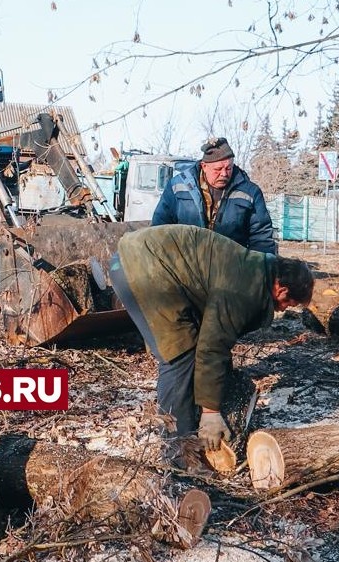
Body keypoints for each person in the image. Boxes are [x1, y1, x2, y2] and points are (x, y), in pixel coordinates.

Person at [109, 224, 314, 448]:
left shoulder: (255, 270)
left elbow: (219, 339)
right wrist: (211, 412)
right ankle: (178, 454)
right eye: (288, 304)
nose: (283, 310)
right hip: (142, 268)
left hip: (141, 262)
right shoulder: (245, 289)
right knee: (179, 354)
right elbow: (213, 345)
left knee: (187, 346)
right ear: (281, 290)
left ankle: (188, 427)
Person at [152, 136, 276, 254]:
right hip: (185, 265)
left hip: (230, 268)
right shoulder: (177, 186)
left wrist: (262, 268)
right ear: (204, 166)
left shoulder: (250, 192)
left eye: (228, 168)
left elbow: (261, 238)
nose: (224, 174)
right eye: (218, 169)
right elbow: (160, 228)